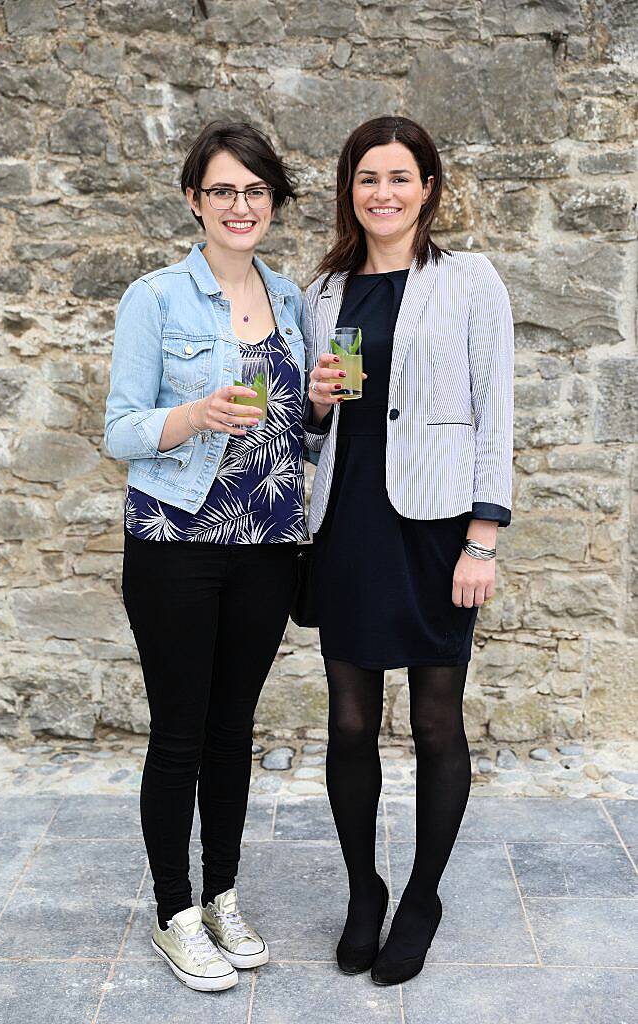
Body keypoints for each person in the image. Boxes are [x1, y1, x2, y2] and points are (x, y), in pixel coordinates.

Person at [304, 115, 514, 986]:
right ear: (349, 189)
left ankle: (422, 897)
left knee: (435, 720)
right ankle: (364, 890)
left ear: (428, 186)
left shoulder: (467, 281)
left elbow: (494, 409)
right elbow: (312, 427)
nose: (382, 193)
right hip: (346, 521)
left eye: (399, 177)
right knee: (350, 721)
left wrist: (482, 540)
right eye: (366, 178)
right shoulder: (322, 290)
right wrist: (315, 407)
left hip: (435, 530)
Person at [104, 121, 307, 992]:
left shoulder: (292, 299)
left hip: (268, 543)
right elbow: (120, 429)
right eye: (222, 190)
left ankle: (221, 893)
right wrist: (192, 416)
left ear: (272, 203)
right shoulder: (155, 298)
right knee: (179, 734)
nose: (240, 205)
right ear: (194, 199)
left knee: (234, 733)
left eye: (255, 190)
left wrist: (324, 405)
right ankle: (173, 911)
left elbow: (295, 425)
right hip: (176, 544)